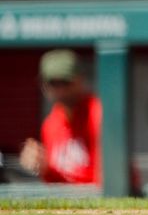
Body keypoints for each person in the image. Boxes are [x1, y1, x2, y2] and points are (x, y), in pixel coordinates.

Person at [19, 49, 101, 184]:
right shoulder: (50, 124)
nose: (61, 90)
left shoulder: (98, 113)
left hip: (98, 202)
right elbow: (55, 183)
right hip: (70, 202)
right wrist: (42, 167)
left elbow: (112, 181)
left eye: (65, 82)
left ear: (80, 79)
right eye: (53, 83)